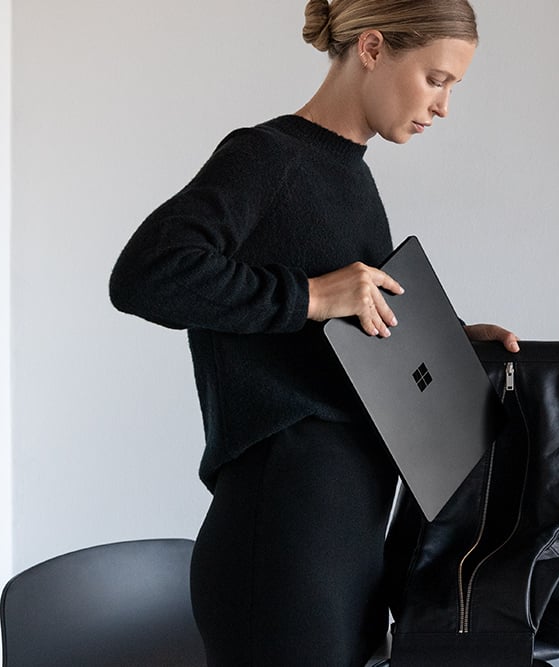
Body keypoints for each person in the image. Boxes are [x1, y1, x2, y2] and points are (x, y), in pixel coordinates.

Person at [109, 1, 518, 664]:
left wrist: (448, 339)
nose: (443, 106)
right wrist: (310, 296)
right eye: (436, 79)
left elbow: (349, 339)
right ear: (373, 49)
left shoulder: (352, 175)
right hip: (284, 529)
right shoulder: (266, 156)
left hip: (348, 531)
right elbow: (145, 275)